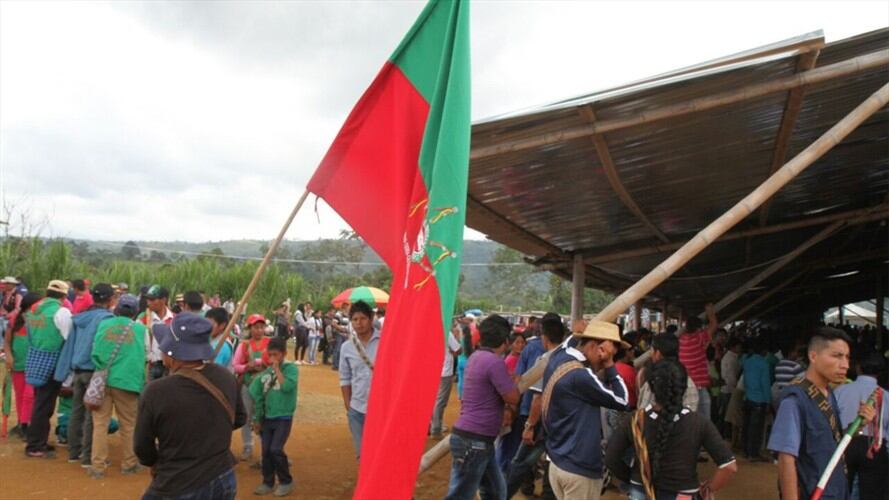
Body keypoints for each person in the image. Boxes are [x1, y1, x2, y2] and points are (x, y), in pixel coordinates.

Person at [135, 311, 246, 500]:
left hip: (178, 484)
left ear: (172, 352)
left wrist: (157, 461)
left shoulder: (156, 391)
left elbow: (142, 448)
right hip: (223, 477)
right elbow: (240, 418)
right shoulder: (225, 377)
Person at [605, 359, 738, 499]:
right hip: (683, 493)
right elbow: (729, 466)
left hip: (642, 491)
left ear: (651, 387)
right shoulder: (699, 423)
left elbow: (611, 458)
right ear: (684, 387)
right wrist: (709, 488)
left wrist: (635, 478)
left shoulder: (634, 419)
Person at [768, 327, 876, 500]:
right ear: (813, 356)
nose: (845, 365)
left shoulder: (828, 393)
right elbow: (785, 458)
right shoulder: (794, 401)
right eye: (837, 356)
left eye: (847, 357)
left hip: (836, 490)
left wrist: (859, 425)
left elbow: (831, 440)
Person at [541, 320, 628, 500]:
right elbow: (623, 400)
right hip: (579, 469)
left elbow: (569, 343)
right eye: (606, 352)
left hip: (558, 462)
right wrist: (610, 364)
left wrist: (576, 334)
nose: (604, 358)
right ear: (594, 345)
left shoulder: (559, 356)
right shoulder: (582, 376)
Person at [445, 314, 519, 500]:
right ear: (505, 341)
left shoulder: (476, 357)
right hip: (475, 441)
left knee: (496, 492)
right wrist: (514, 382)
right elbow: (513, 397)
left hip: (476, 440)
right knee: (460, 495)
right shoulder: (494, 362)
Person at [53, 283, 115, 467]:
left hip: (77, 371)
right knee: (93, 416)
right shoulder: (107, 319)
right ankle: (88, 457)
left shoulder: (78, 318)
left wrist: (62, 374)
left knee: (76, 412)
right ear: (110, 299)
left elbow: (69, 347)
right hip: (94, 371)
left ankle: (74, 453)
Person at [506, 314, 566, 499]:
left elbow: (537, 397)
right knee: (551, 459)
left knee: (521, 460)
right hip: (559, 422)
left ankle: (508, 493)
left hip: (537, 418)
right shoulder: (569, 356)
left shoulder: (546, 358)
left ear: (544, 336)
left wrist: (529, 426)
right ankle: (549, 493)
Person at [88, 294, 147, 479]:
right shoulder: (140, 329)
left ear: (117, 309)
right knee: (129, 425)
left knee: (100, 424)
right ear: (136, 311)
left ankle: (97, 467)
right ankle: (129, 464)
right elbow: (147, 355)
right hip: (128, 381)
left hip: (103, 380)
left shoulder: (104, 325)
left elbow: (96, 351)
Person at [24, 280, 73, 458]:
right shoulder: (61, 312)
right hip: (53, 361)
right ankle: (35, 445)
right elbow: (69, 338)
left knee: (40, 401)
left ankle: (38, 441)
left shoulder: (35, 310)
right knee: (44, 404)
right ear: (64, 296)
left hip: (35, 358)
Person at [834, 352, 888, 500]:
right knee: (872, 492)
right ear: (880, 372)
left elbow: (833, 420)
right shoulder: (886, 395)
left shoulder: (840, 391)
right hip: (875, 445)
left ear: (857, 367)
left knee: (841, 488)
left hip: (845, 441)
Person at [250, 337, 299, 497]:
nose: (272, 358)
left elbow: (287, 387)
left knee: (276, 449)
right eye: (270, 355)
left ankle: (286, 481)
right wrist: (257, 420)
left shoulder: (291, 369)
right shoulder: (265, 374)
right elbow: (257, 397)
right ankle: (268, 482)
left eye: (276, 355)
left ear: (283, 354)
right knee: (265, 452)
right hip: (266, 418)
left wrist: (277, 370)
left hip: (283, 417)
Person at [339, 301, 380, 459]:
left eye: (363, 318)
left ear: (371, 319)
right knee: (362, 454)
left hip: (380, 408)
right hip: (356, 409)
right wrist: (348, 406)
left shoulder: (386, 342)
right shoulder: (347, 347)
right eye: (355, 319)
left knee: (378, 453)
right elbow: (345, 378)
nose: (359, 323)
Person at [233, 314, 271, 462]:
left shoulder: (270, 343)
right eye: (256, 327)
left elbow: (277, 359)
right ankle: (248, 446)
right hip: (248, 385)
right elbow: (236, 365)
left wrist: (261, 362)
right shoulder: (244, 345)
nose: (259, 330)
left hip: (267, 387)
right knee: (247, 416)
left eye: (261, 327)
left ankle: (265, 449)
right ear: (250, 328)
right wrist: (246, 367)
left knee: (265, 416)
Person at [2, 292, 40, 440]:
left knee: (29, 395)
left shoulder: (38, 321)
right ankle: (21, 423)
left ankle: (26, 423)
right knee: (20, 394)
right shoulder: (14, 320)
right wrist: (9, 356)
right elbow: (6, 341)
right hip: (18, 362)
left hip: (33, 363)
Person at [638, 333, 698, 411]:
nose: (650, 354)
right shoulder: (689, 382)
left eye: (651, 350)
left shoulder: (653, 381)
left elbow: (643, 411)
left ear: (658, 354)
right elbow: (691, 411)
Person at [678, 304, 717, 419]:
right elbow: (713, 324)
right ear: (699, 328)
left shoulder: (681, 340)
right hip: (698, 386)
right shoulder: (699, 338)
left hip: (685, 385)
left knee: (689, 419)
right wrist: (710, 311)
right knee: (704, 420)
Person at [741, 339, 772, 462]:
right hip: (759, 399)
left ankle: (746, 450)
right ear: (764, 351)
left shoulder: (746, 361)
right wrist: (768, 401)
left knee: (747, 426)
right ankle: (753, 453)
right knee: (756, 429)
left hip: (747, 397)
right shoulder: (763, 364)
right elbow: (765, 384)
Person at [430, 326, 462, 439]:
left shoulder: (428, 329)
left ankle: (431, 426)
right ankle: (436, 429)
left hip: (430, 370)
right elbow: (458, 349)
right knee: (440, 401)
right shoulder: (445, 332)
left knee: (431, 400)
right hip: (444, 371)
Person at [139, 285, 174, 381]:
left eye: (152, 299)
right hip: (149, 366)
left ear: (163, 300)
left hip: (168, 367)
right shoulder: (142, 319)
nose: (148, 302)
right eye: (148, 299)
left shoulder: (174, 319)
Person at [719, 337, 742, 436]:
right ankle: (725, 434)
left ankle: (723, 433)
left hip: (726, 388)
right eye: (738, 347)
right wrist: (736, 388)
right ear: (733, 347)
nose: (740, 349)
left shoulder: (730, 357)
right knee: (727, 415)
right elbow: (732, 376)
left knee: (725, 414)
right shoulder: (731, 359)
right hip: (729, 389)